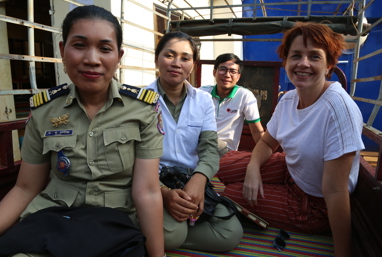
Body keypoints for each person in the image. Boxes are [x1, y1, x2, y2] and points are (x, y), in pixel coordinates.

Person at [0, 5, 165, 257]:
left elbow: (146, 190)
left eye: (104, 48)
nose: (92, 59)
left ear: (118, 56)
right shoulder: (44, 110)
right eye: (79, 45)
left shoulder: (144, 109)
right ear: (62, 50)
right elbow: (25, 188)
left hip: (114, 221)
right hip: (53, 217)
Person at [217, 22, 364, 257]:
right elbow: (267, 143)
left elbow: (336, 192)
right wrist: (253, 168)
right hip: (291, 169)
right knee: (223, 165)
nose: (303, 63)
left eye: (314, 56)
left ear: (329, 66)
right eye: (296, 55)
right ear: (285, 62)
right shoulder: (288, 99)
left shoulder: (338, 110)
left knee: (230, 195)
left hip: (314, 204)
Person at [145, 32, 243, 252]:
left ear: (193, 64)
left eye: (185, 58)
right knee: (172, 235)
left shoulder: (203, 100)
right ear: (157, 58)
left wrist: (199, 181)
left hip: (189, 182)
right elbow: (132, 157)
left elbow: (209, 148)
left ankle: (162, 231)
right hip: (151, 184)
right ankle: (169, 231)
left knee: (230, 233)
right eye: (169, 55)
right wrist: (164, 193)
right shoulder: (139, 100)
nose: (176, 63)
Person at [200, 53, 264, 153]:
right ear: (214, 72)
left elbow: (257, 131)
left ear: (238, 76)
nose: (227, 75)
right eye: (222, 69)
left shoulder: (245, 96)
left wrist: (265, 157)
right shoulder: (201, 93)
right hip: (200, 146)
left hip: (225, 151)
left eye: (232, 71)